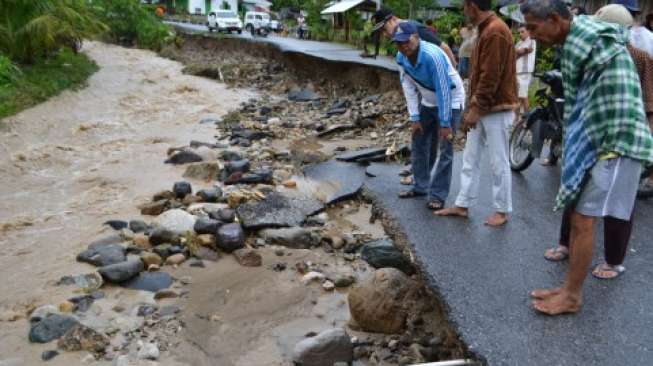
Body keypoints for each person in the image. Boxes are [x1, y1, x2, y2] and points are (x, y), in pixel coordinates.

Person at [520, 0, 653, 315]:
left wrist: (576, 156)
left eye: (534, 28)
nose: (532, 36)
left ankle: (572, 295)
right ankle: (569, 288)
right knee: (580, 216)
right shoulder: (590, 37)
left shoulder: (581, 43)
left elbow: (578, 109)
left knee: (582, 219)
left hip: (615, 139)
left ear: (555, 19)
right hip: (613, 137)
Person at [434, 0, 518, 227]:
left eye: (464, 6)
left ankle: (502, 210)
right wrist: (475, 107)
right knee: (470, 159)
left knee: (498, 162)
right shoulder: (487, 29)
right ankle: (462, 203)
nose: (463, 11)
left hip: (496, 109)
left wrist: (476, 109)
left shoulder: (496, 31)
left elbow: (491, 76)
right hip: (483, 106)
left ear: (472, 5)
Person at [393, 22, 466, 210]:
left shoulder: (432, 57)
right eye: (399, 43)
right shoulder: (401, 57)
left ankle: (438, 195)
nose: (403, 46)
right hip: (427, 99)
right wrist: (414, 117)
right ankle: (420, 186)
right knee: (418, 141)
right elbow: (408, 86)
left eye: (406, 41)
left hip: (450, 100)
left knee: (446, 148)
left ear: (417, 37)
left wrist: (444, 122)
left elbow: (443, 90)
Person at [372, 7, 457, 68]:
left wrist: (454, 74)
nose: (384, 35)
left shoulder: (414, 28)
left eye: (384, 29)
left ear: (392, 19)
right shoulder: (399, 38)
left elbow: (445, 48)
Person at [515, 25, 536, 116]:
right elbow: (515, 53)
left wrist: (516, 50)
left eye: (522, 31)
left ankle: (526, 116)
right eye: (519, 32)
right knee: (519, 95)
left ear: (528, 31)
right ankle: (520, 117)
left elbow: (523, 51)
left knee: (522, 95)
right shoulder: (519, 43)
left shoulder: (532, 40)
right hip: (517, 71)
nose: (520, 34)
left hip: (525, 71)